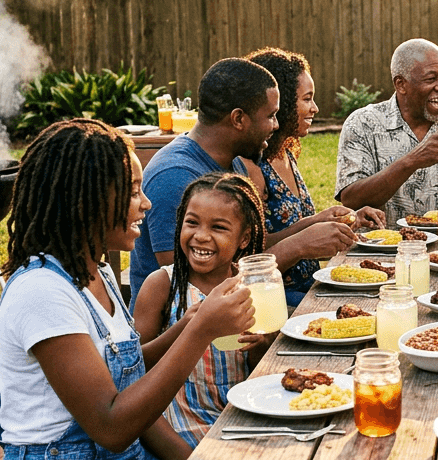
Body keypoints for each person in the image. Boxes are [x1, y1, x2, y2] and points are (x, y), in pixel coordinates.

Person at [0, 119, 249, 460]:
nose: (146, 203)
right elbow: (111, 424)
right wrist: (201, 330)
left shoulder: (98, 270)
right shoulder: (42, 292)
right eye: (132, 190)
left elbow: (124, 373)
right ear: (85, 199)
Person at [130, 57, 354, 306]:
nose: (276, 125)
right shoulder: (175, 176)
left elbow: (249, 247)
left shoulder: (233, 162)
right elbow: (192, 283)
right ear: (238, 119)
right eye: (271, 115)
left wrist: (310, 225)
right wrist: (298, 247)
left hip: (233, 305)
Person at [133, 173, 271, 448]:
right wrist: (185, 327)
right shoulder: (162, 285)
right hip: (180, 421)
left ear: (244, 239)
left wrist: (260, 345)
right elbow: (135, 366)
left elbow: (262, 370)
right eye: (192, 223)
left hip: (242, 413)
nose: (201, 236)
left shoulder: (252, 287)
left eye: (218, 228)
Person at [248, 48, 386, 305]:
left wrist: (343, 221)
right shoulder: (252, 167)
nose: (315, 108)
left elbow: (293, 228)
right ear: (283, 102)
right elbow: (255, 250)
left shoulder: (285, 152)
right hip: (280, 297)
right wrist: (305, 240)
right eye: (307, 99)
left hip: (313, 283)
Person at [335, 38, 438, 222]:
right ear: (401, 85)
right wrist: (412, 161)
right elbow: (350, 199)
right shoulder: (363, 124)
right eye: (430, 79)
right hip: (384, 247)